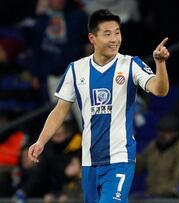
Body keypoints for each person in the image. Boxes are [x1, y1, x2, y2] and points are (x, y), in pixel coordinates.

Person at [28, 9, 170, 203]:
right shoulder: (76, 69)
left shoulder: (131, 64)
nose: (114, 39)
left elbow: (160, 90)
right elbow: (60, 109)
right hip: (89, 162)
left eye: (117, 32)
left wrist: (160, 64)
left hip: (120, 159)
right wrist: (41, 141)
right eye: (108, 34)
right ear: (92, 38)